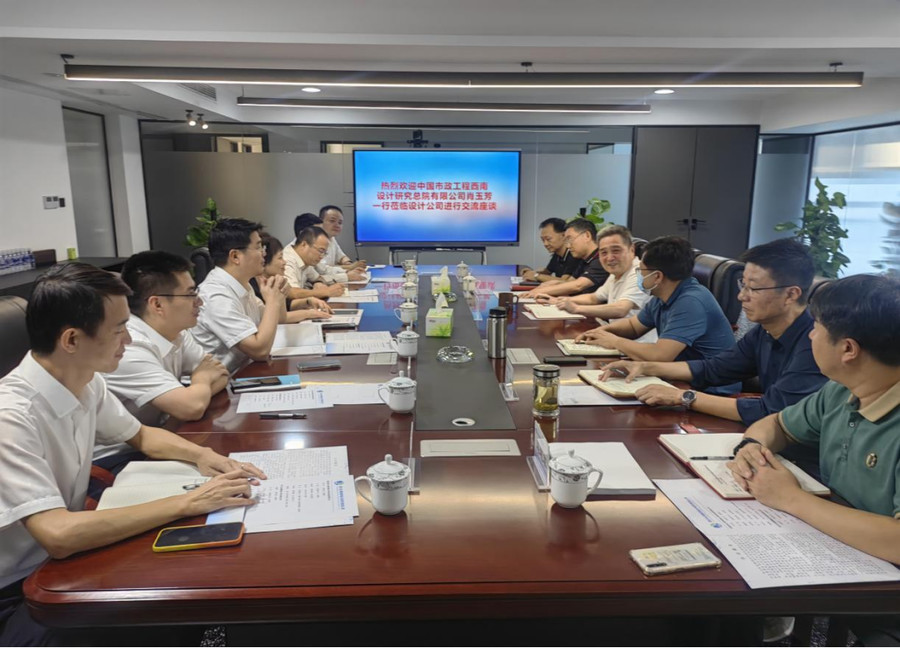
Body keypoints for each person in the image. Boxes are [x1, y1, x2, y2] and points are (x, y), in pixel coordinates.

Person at [0, 263, 264, 645]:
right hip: (22, 587)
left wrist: (206, 457)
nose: (129, 339)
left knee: (190, 577)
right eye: (119, 329)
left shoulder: (84, 380)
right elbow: (57, 534)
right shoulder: (11, 416)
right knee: (170, 605)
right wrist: (187, 502)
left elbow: (140, 435)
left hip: (63, 560)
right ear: (71, 340)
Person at [728, 274, 900, 645]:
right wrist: (752, 446)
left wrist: (791, 498)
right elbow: (777, 424)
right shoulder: (842, 390)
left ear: (848, 349)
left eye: (817, 328)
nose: (809, 336)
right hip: (850, 557)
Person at [602, 238, 827, 424]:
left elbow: (771, 410)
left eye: (753, 288)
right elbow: (714, 368)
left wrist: (684, 397)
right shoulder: (764, 332)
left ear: (791, 294)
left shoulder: (815, 344)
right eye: (743, 285)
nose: (741, 296)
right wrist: (644, 367)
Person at [577, 236, 738, 392]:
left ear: (657, 276)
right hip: (677, 378)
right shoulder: (663, 294)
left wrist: (615, 341)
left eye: (641, 270)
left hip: (710, 389)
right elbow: (633, 326)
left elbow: (660, 355)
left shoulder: (691, 302)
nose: (639, 275)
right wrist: (601, 332)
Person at [104, 250, 229, 429]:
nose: (199, 302)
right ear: (157, 304)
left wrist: (191, 400)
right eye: (190, 294)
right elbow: (192, 407)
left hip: (161, 434)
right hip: (126, 446)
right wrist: (202, 378)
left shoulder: (176, 331)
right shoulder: (129, 346)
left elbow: (220, 373)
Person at [192, 218, 290, 372]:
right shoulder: (215, 296)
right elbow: (260, 351)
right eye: (258, 247)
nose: (264, 253)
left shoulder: (242, 284)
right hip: (221, 381)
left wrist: (278, 292)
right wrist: (272, 301)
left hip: (244, 372)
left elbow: (279, 319)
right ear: (235, 256)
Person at [540, 224, 649, 321]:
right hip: (613, 332)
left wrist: (576, 308)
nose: (610, 258)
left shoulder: (640, 273)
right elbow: (594, 298)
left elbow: (621, 309)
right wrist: (558, 301)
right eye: (604, 252)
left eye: (616, 250)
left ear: (632, 250)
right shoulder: (616, 273)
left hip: (631, 337)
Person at [254, 233, 334, 323]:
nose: (284, 262)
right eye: (280, 258)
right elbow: (278, 318)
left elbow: (288, 305)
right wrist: (308, 313)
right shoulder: (254, 286)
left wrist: (308, 301)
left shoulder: (271, 281)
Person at [524, 218, 609, 297]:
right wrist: (551, 284)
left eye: (570, 239)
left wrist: (538, 291)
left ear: (587, 235)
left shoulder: (601, 259)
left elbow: (577, 286)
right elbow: (569, 283)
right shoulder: (584, 259)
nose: (568, 246)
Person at [282, 216, 345, 300]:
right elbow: (292, 292)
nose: (321, 257)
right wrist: (326, 292)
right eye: (320, 251)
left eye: (324, 253)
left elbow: (317, 278)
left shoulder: (306, 260)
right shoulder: (287, 260)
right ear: (304, 245)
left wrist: (318, 283)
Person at [521, 217, 579, 284]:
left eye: (548, 239)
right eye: (543, 240)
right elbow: (547, 272)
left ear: (564, 235)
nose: (545, 244)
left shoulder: (573, 254)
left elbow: (564, 281)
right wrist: (531, 273)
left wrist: (536, 276)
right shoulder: (557, 254)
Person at [319, 205, 367, 278]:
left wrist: (349, 263)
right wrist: (350, 267)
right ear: (320, 222)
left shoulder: (332, 238)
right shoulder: (315, 240)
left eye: (340, 222)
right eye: (332, 221)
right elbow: (322, 269)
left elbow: (341, 257)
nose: (337, 225)